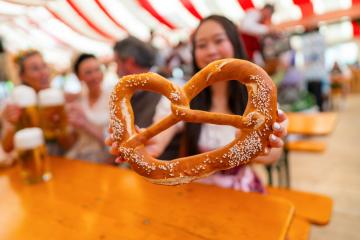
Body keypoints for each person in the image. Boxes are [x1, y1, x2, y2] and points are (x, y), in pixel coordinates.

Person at [143, 15, 287, 193]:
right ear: (194, 53)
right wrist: (143, 142)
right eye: (202, 45)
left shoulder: (259, 100)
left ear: (234, 43)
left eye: (219, 40)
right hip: (195, 191)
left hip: (241, 192)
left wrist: (265, 147)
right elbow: (159, 135)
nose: (211, 51)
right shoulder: (179, 97)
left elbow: (273, 155)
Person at [1, 50, 75, 155]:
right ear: (22, 76)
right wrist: (11, 126)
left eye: (44, 66)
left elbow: (69, 146)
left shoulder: (58, 100)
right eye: (35, 69)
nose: (43, 72)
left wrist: (61, 127)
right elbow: (6, 148)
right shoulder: (14, 103)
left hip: (59, 161)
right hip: (30, 162)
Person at [65, 53, 112, 163]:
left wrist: (85, 124)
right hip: (80, 157)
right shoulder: (77, 101)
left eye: (97, 69)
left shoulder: (113, 97)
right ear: (79, 77)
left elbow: (116, 142)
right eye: (88, 72)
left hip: (105, 160)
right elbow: (71, 141)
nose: (95, 76)